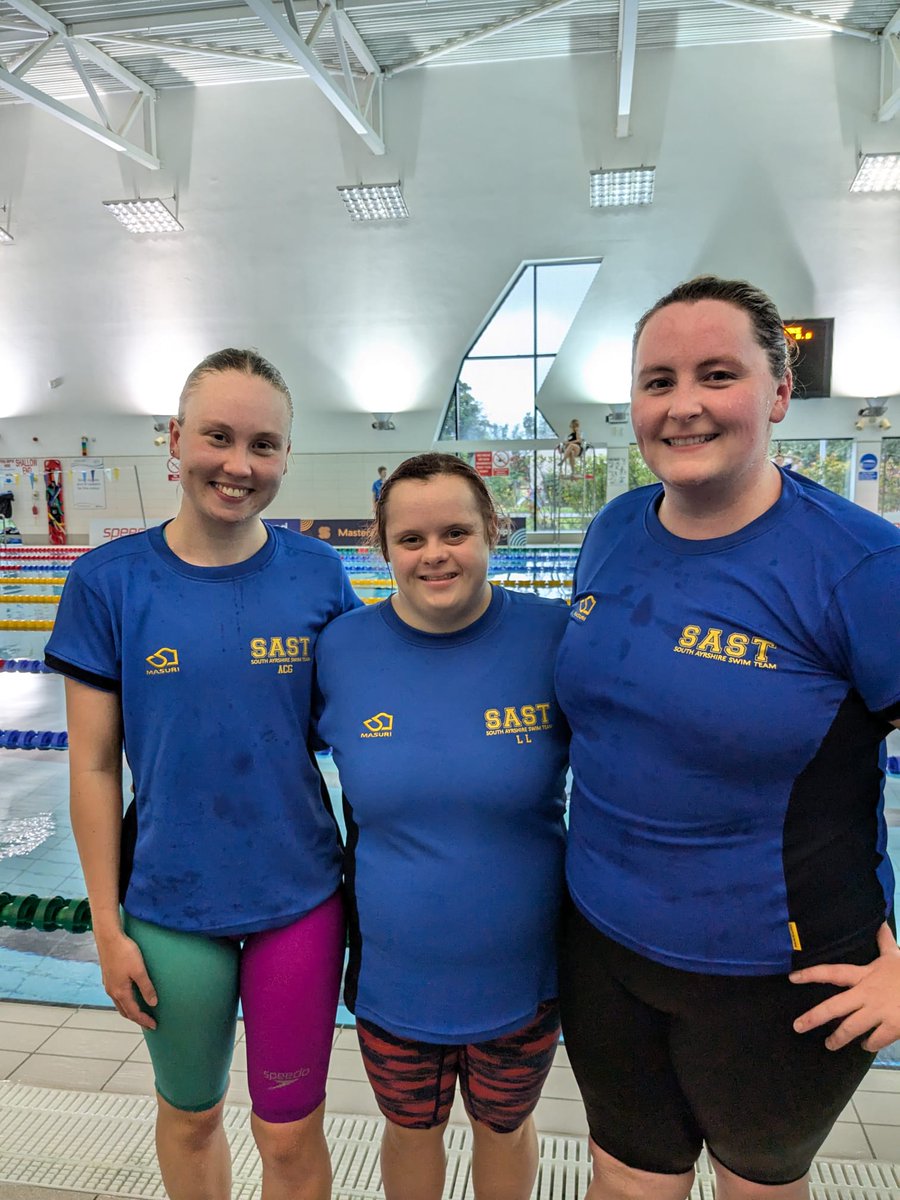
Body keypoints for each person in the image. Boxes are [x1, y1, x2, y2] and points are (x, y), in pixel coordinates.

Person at [555, 276, 900, 1200]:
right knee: (626, 1182)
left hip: (783, 977)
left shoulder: (862, 567)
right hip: (603, 947)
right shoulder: (615, 528)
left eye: (718, 374)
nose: (684, 405)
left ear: (780, 393)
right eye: (657, 380)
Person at [45, 349, 360, 1200]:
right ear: (175, 441)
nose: (239, 464)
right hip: (170, 906)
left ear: (287, 456)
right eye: (217, 437)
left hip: (298, 896)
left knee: (289, 1132)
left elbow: (373, 732)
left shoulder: (319, 576)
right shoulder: (107, 582)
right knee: (190, 1116)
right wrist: (107, 930)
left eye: (264, 444)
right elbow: (92, 765)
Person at [315, 453, 570, 1200]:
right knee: (409, 1130)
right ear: (382, 546)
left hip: (524, 976)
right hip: (397, 976)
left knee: (505, 1127)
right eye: (411, 539)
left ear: (493, 530)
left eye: (456, 531)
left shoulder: (552, 638)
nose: (435, 555)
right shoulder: (342, 650)